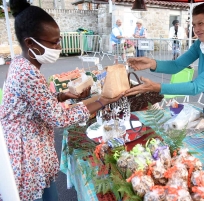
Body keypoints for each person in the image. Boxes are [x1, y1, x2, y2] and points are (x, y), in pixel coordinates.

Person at [0, 1, 123, 200]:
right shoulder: (27, 73)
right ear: (30, 43)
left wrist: (62, 96)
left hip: (33, 150)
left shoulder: (21, 64)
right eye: (54, 42)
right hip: (27, 158)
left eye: (59, 40)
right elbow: (59, 119)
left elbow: (33, 105)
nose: (59, 46)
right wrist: (103, 101)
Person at [125, 2, 204, 130]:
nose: (196, 29)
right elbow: (176, 65)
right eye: (194, 25)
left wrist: (155, 87)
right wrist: (152, 63)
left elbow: (195, 87)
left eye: (201, 23)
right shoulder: (201, 44)